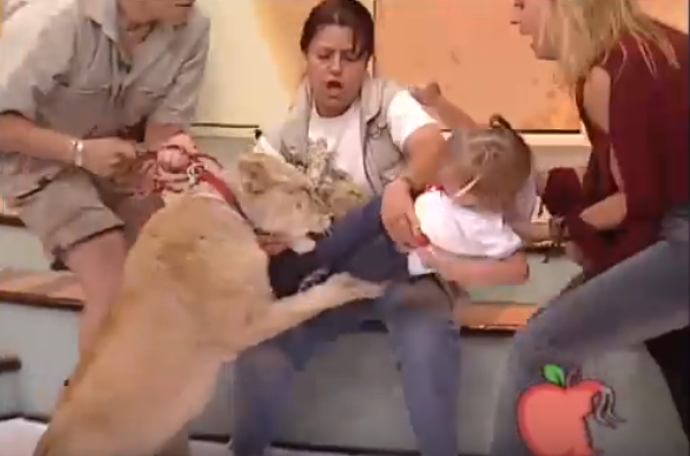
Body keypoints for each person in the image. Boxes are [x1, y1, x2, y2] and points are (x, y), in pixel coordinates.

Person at [216, 1, 535, 455]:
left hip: (403, 268)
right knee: (264, 345)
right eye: (324, 55)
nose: (336, 69)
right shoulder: (285, 135)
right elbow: (247, 195)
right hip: (329, 276)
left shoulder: (388, 102)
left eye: (350, 57)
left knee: (426, 331)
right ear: (306, 57)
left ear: (367, 62)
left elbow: (430, 145)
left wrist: (401, 187)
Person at [470, 0, 687, 453]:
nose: (515, 17)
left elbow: (637, 203)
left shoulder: (609, 73)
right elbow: (633, 178)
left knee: (540, 345)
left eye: (522, 3)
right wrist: (552, 205)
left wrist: (569, 236)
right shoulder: (656, 49)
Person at [0, 0, 210, 358]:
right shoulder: (53, 18)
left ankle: (141, 385)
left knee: (169, 256)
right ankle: (96, 394)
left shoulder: (193, 27)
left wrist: (173, 149)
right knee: (111, 276)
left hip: (117, 161)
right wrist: (79, 152)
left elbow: (166, 129)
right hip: (35, 162)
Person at [274, 116, 533, 294]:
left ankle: (317, 276)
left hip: (401, 254)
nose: (442, 174)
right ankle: (311, 260)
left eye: (449, 177)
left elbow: (519, 271)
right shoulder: (459, 188)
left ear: (478, 194)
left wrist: (453, 269)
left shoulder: (491, 229)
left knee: (358, 264)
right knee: (354, 226)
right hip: (398, 214)